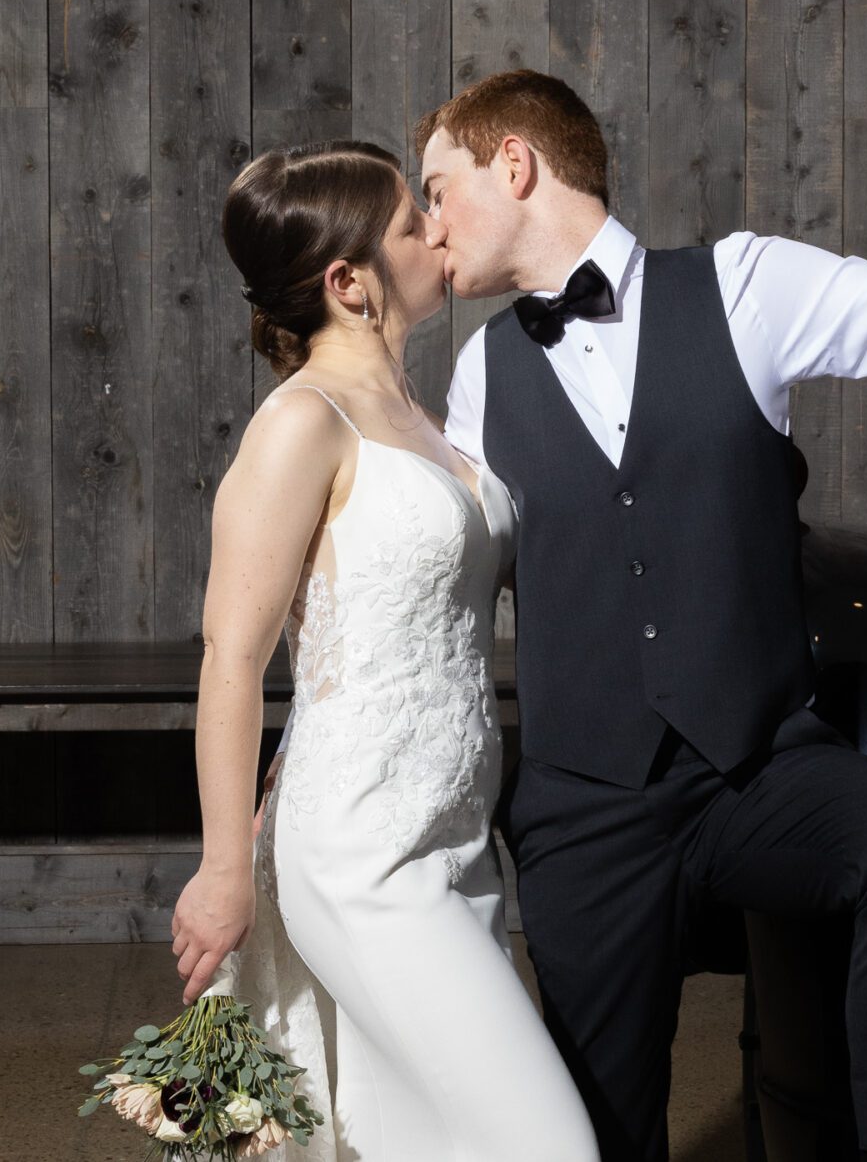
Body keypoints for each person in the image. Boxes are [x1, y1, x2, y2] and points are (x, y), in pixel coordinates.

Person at [416, 0, 867, 1162]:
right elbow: (444, 585)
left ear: (514, 164)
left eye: (437, 192)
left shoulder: (744, 285)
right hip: (586, 802)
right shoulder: (485, 375)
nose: (429, 226)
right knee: (591, 1126)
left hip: (753, 766)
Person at [168, 139, 600, 1162]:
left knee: (415, 1138)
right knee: (547, 1145)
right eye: (414, 221)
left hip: (453, 832)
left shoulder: (424, 417)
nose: (437, 228)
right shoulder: (301, 424)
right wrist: (226, 868)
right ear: (347, 281)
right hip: (360, 845)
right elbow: (231, 657)